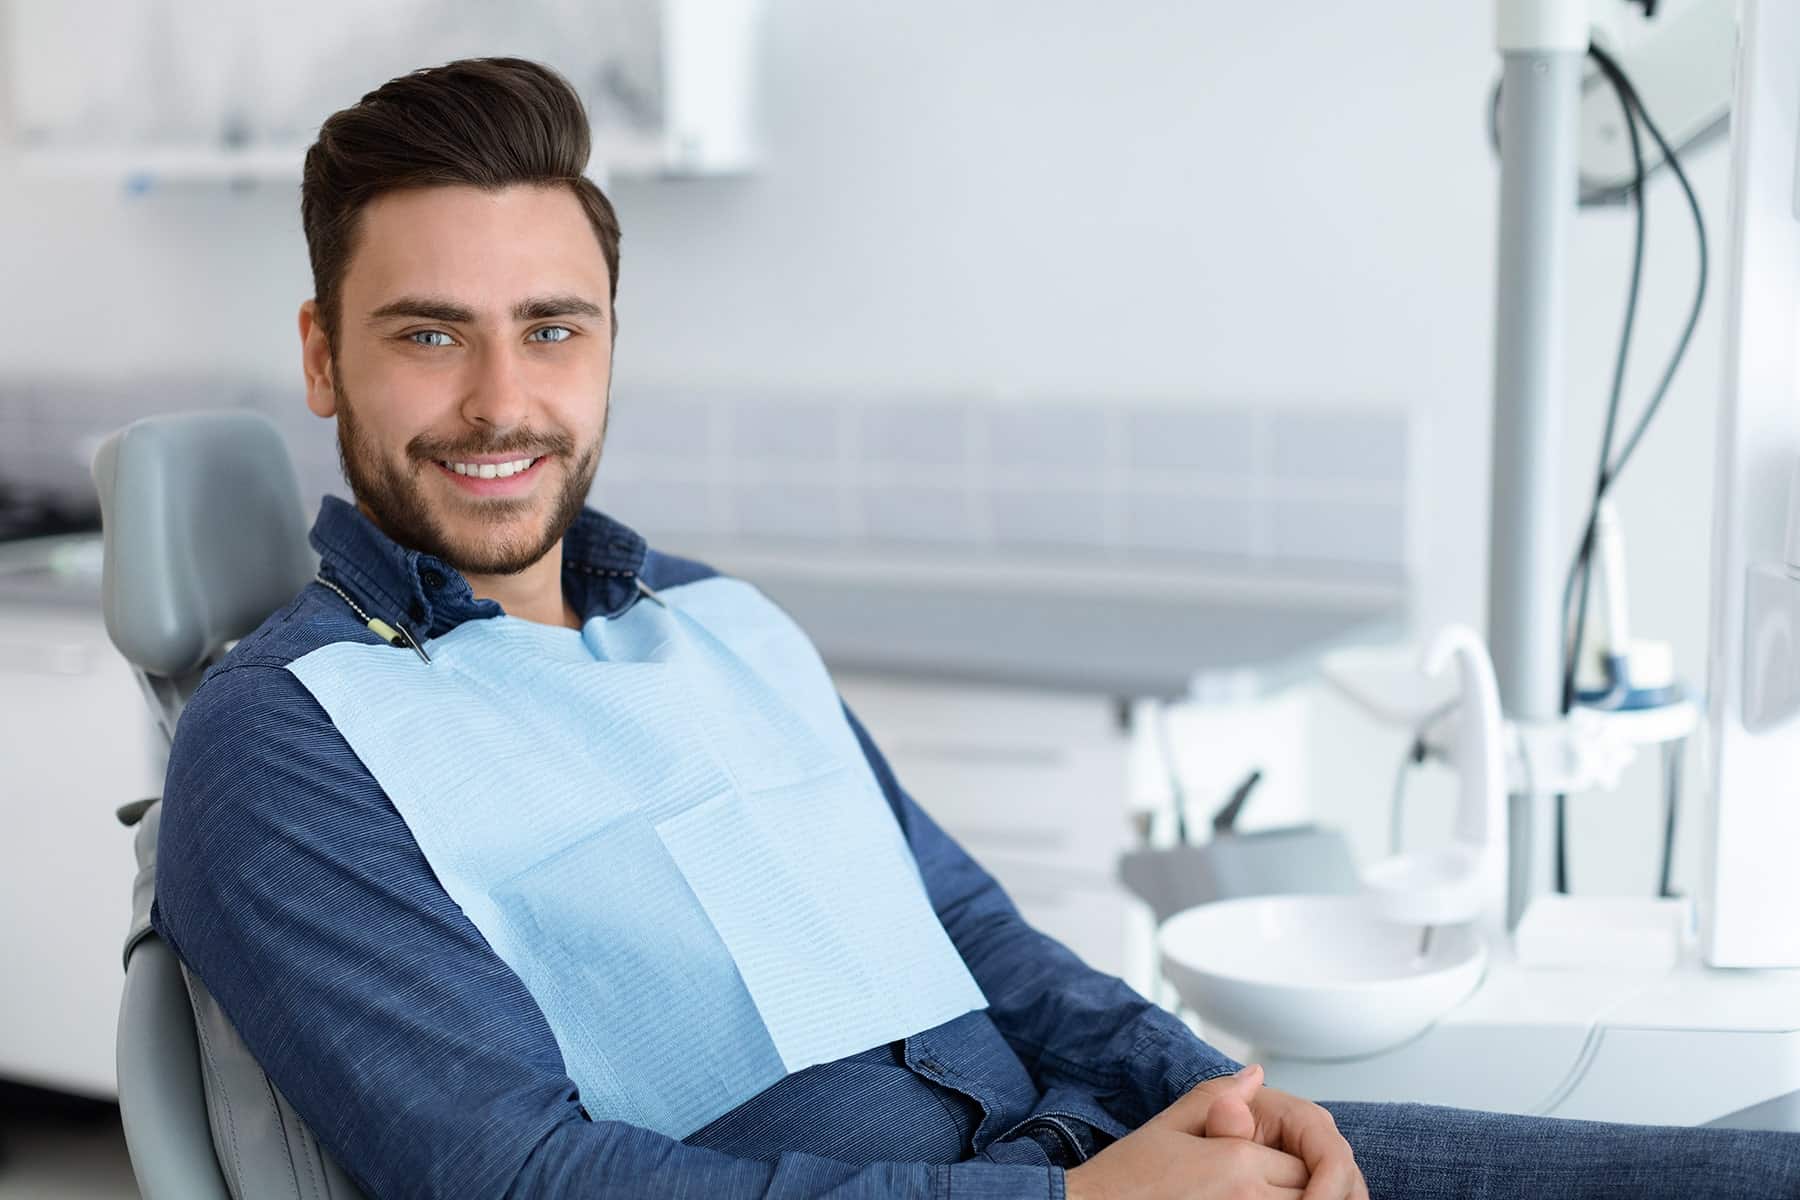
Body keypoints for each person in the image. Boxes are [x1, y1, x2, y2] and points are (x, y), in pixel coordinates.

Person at [153, 57, 1800, 1200]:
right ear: (322, 357)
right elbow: (517, 1182)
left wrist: (1213, 1095)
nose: (502, 399)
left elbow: (992, 952)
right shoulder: (283, 740)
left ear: (606, 344)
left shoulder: (715, 625)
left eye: (553, 329)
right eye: (429, 334)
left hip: (1107, 1150)